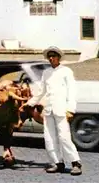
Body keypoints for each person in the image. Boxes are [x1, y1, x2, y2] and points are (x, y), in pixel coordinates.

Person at [24, 46, 82, 176]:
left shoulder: (66, 71)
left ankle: (75, 163)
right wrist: (29, 103)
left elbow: (72, 92)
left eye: (54, 56)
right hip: (49, 110)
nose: (51, 58)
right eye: (49, 56)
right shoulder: (46, 73)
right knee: (49, 138)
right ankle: (57, 163)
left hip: (62, 110)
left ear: (59, 57)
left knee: (64, 137)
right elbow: (41, 91)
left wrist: (70, 109)